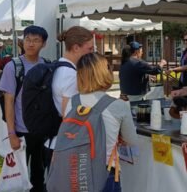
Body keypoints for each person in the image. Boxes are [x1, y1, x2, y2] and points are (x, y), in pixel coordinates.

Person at [69, 52, 138, 191]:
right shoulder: (118, 105)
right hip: (105, 172)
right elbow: (132, 141)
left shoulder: (72, 102)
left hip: (76, 171)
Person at [0, 25, 48, 192]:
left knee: (39, 174)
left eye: (36, 40)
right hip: (21, 130)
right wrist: (11, 133)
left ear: (44, 44)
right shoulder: (14, 66)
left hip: (42, 130)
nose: (31, 44)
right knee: (19, 175)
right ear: (22, 41)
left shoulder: (48, 66)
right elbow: (9, 102)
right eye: (27, 39)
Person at [45, 26, 94, 163]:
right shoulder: (71, 76)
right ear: (76, 48)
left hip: (53, 140)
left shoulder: (59, 66)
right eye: (89, 48)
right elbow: (69, 116)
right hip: (64, 143)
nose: (92, 52)